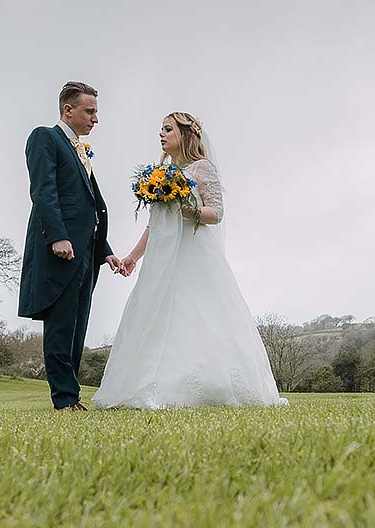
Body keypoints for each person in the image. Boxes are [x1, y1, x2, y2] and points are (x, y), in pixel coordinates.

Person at [94, 112, 288, 409]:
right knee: (157, 316)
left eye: (168, 129)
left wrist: (186, 210)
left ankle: (208, 385)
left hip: (195, 257)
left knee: (198, 314)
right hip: (163, 260)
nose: (161, 134)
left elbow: (217, 213)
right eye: (160, 129)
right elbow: (153, 225)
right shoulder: (160, 174)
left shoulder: (202, 169)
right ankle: (151, 385)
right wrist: (132, 257)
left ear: (185, 134)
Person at [17, 81, 124, 411]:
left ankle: (72, 396)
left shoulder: (80, 150)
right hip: (61, 249)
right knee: (61, 325)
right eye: (90, 111)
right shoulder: (45, 138)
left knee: (77, 326)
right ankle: (63, 400)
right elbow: (44, 192)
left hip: (85, 254)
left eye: (96, 112)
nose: (95, 119)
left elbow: (87, 207)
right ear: (68, 109)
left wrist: (104, 250)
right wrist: (59, 236)